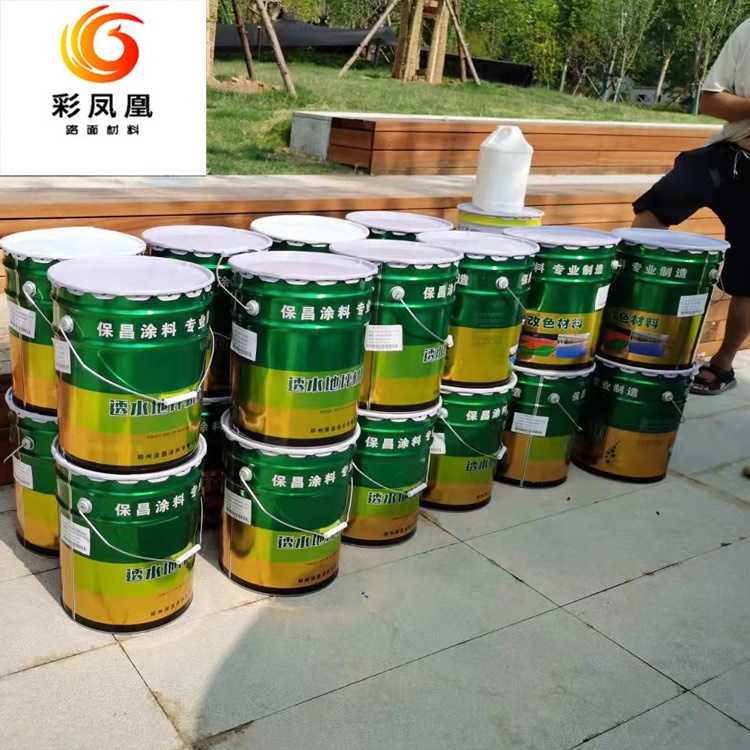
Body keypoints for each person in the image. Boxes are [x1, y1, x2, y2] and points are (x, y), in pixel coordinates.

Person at [631, 18, 750, 396]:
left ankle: (723, 364)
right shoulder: (748, 30)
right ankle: (631, 319)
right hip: (729, 155)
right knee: (651, 209)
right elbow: (710, 100)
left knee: (747, 280)